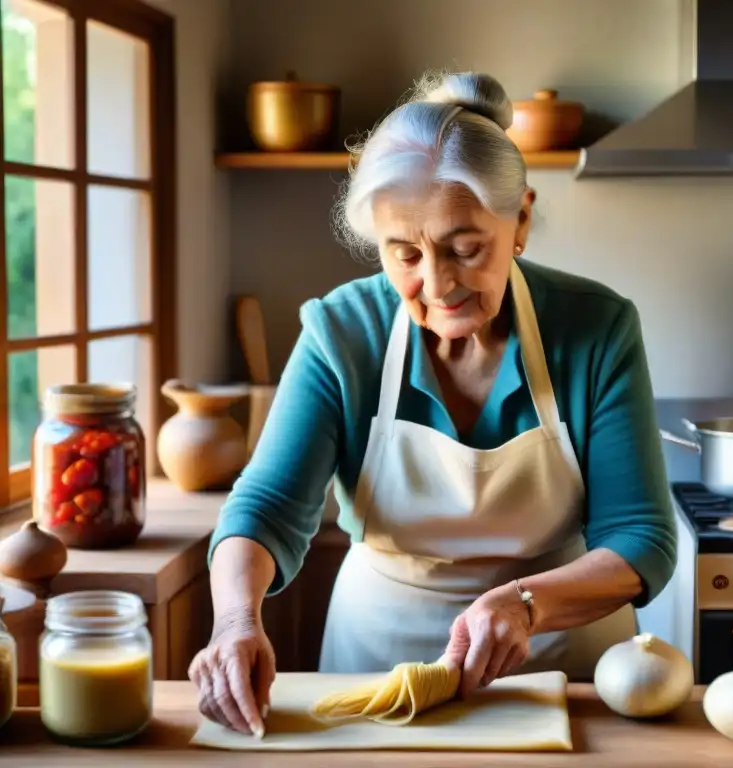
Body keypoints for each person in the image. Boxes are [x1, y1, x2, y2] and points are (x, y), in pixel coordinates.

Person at [188, 71, 677, 738]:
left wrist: (527, 604)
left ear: (522, 219)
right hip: (376, 662)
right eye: (404, 254)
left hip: (562, 665)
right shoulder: (342, 332)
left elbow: (642, 537)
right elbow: (267, 508)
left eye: (465, 248)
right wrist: (236, 621)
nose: (437, 283)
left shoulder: (595, 329)